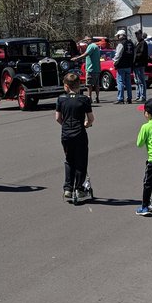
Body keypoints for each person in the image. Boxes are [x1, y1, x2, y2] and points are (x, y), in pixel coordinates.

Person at [55, 71, 94, 204]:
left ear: (66, 86)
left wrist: (65, 124)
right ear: (79, 85)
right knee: (81, 161)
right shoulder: (84, 99)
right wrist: (86, 124)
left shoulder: (61, 99)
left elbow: (58, 118)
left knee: (69, 160)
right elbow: (91, 119)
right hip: (79, 133)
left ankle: (68, 188)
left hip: (66, 134)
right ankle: (79, 188)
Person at [74, 36, 102, 104]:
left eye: (86, 40)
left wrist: (77, 58)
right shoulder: (96, 46)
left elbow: (85, 54)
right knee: (96, 85)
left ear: (90, 40)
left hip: (91, 69)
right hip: (97, 69)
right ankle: (97, 97)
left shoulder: (91, 46)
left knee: (89, 85)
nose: (85, 42)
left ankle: (89, 97)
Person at [113, 28, 134, 103]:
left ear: (121, 36)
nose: (118, 37)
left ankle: (120, 98)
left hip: (121, 66)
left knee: (120, 82)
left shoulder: (121, 44)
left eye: (118, 36)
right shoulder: (131, 43)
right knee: (128, 82)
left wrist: (114, 62)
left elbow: (118, 55)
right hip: (128, 65)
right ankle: (129, 98)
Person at [132, 30, 149, 102]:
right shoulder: (137, 43)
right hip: (135, 65)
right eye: (136, 35)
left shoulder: (143, 43)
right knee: (137, 81)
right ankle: (138, 95)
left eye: (138, 34)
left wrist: (135, 58)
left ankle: (143, 96)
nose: (137, 36)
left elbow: (142, 54)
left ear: (141, 35)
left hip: (140, 64)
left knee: (141, 80)